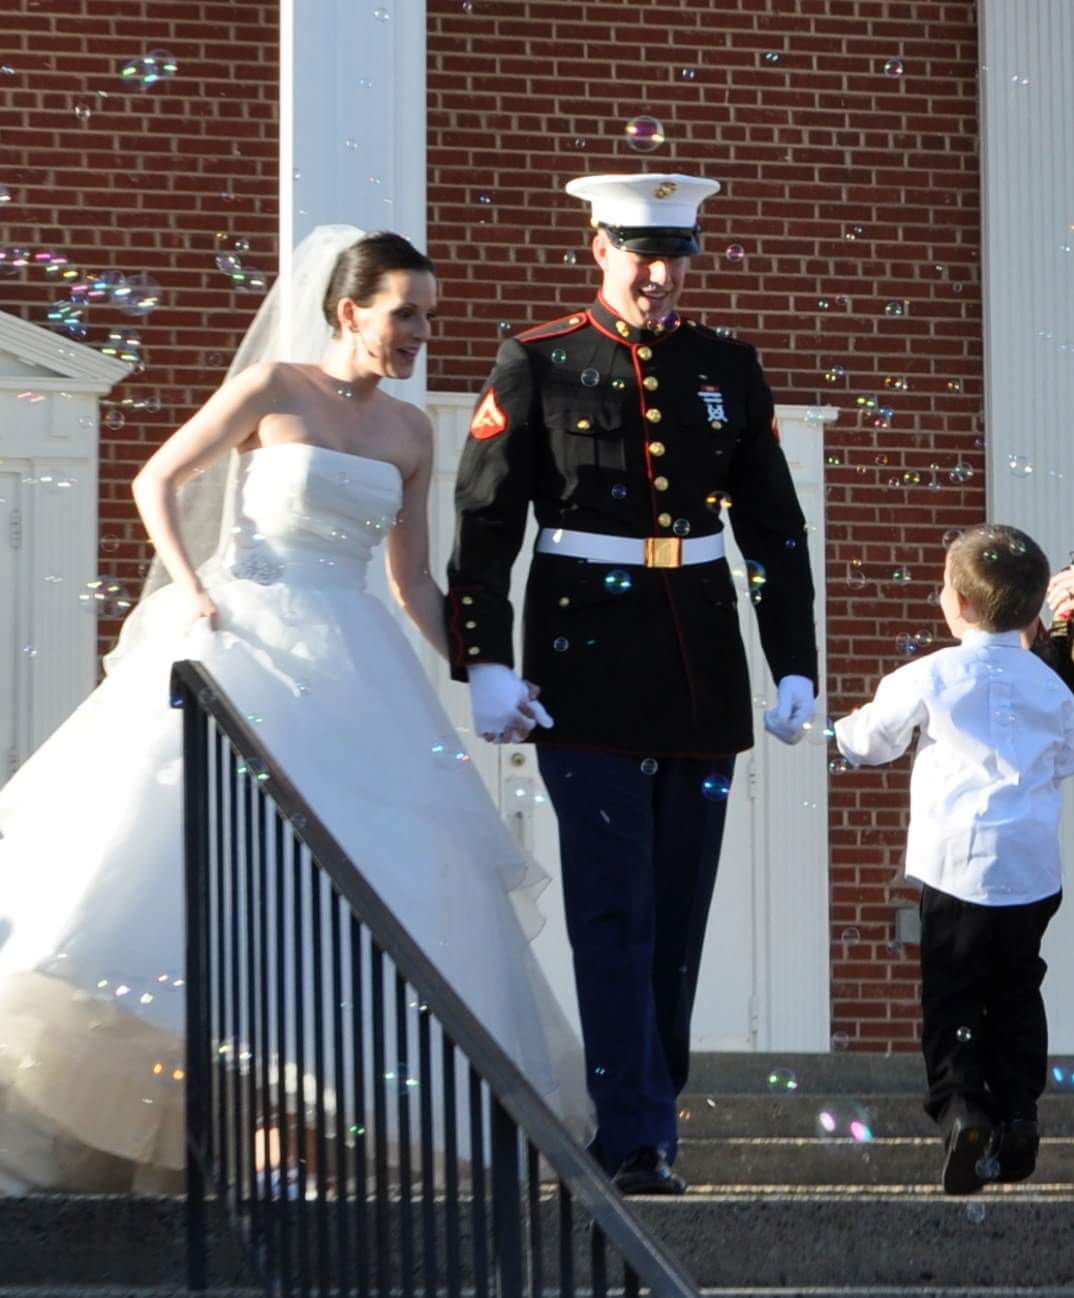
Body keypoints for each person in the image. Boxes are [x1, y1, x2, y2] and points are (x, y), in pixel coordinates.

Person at [0, 224, 584, 1193]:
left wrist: (485, 667)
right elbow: (157, 478)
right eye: (404, 315)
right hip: (247, 639)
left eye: (429, 317)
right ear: (350, 311)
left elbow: (411, 583)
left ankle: (296, 1134)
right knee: (201, 866)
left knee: (359, 880)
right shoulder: (272, 387)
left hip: (357, 662)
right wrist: (190, 587)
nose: (420, 334)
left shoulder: (410, 431)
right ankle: (232, 1124)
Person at [446, 173, 819, 1194]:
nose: (660, 276)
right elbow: (484, 521)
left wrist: (793, 661)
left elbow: (773, 530)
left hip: (700, 673)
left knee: (677, 919)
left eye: (676, 256)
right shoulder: (538, 359)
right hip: (583, 673)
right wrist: (485, 660)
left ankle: (650, 1114)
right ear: (599, 249)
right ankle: (636, 1134)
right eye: (641, 255)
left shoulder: (728, 367)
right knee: (615, 908)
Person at [835, 524, 1074, 1195]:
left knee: (953, 995)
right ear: (1035, 608)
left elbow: (871, 741)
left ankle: (962, 1109)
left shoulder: (930, 674)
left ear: (959, 603)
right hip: (1030, 870)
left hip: (957, 868)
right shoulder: (1054, 688)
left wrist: (841, 731)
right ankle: (1019, 1115)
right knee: (1018, 989)